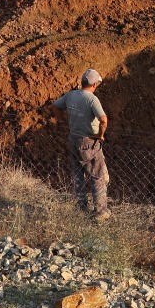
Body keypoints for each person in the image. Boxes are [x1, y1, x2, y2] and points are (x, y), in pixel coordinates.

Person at [51, 69, 110, 220]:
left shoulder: (71, 95)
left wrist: (63, 122)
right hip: (89, 142)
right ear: (95, 84)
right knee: (97, 175)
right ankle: (100, 212)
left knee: (78, 174)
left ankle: (81, 207)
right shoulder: (91, 99)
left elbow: (55, 106)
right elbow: (103, 119)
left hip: (73, 139)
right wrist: (100, 135)